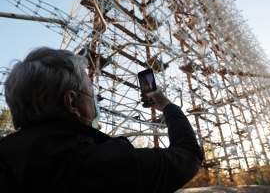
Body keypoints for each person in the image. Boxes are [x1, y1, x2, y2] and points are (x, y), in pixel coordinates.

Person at [0, 47, 203, 193]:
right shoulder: (108, 162)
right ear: (72, 102)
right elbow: (189, 155)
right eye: (91, 90)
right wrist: (166, 105)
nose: (95, 100)